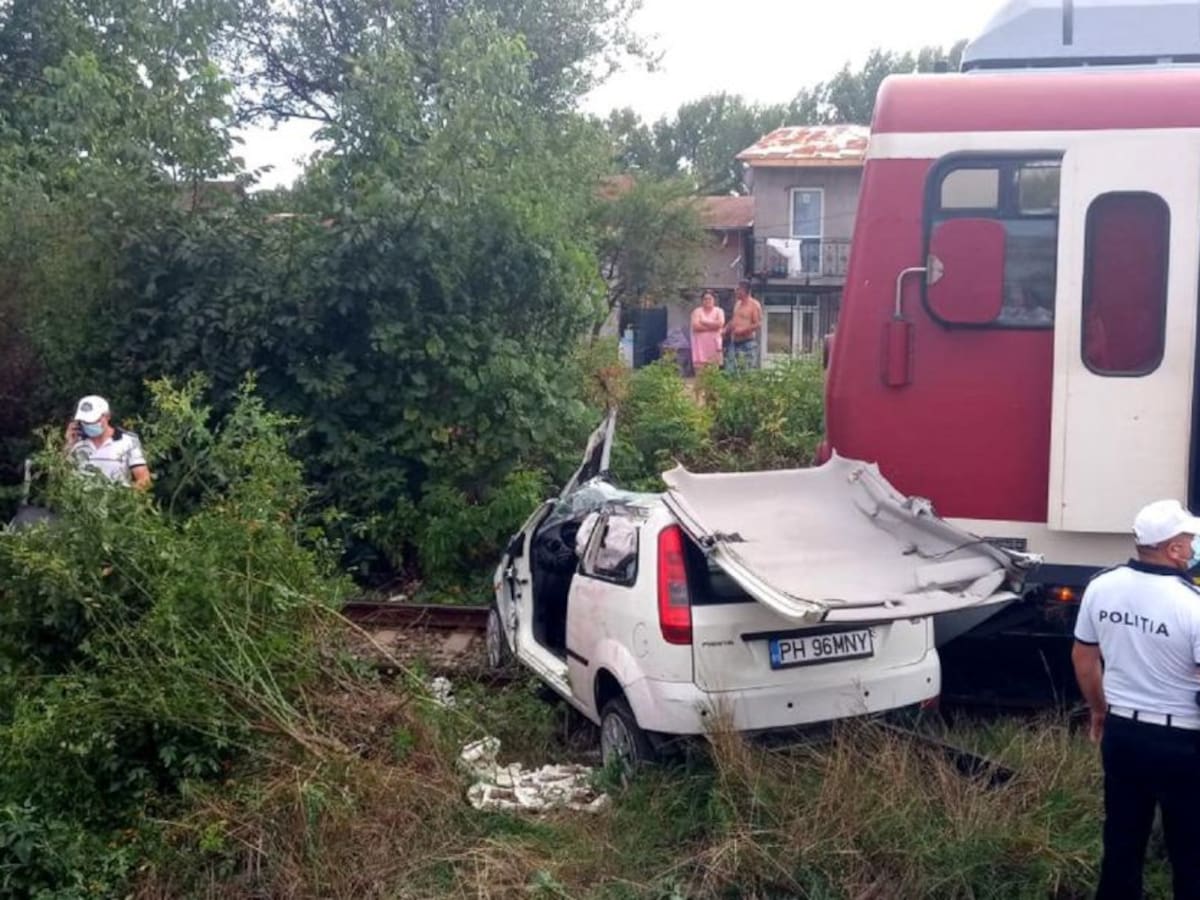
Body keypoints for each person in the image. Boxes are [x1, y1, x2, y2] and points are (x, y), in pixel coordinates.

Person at [1072, 498, 1200, 900]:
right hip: (1183, 742)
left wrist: (1098, 710)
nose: (1195, 546)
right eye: (1190, 539)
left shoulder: (1101, 586)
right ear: (1174, 549)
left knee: (1123, 842)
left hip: (1123, 734)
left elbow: (1084, 657)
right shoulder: (1192, 605)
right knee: (1191, 852)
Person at [64, 395, 151, 490]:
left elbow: (144, 480)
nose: (89, 424)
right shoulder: (77, 443)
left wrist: (124, 497)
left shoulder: (128, 441)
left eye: (93, 420)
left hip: (116, 501)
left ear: (107, 416)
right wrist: (69, 444)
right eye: (85, 421)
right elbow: (60, 475)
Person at [724, 280, 762, 372]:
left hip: (747, 343)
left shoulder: (754, 305)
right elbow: (734, 320)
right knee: (731, 371)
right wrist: (725, 329)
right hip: (734, 342)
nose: (735, 291)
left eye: (738, 289)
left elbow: (758, 324)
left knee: (746, 371)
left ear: (744, 290)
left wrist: (743, 330)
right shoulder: (737, 304)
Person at [690, 291, 725, 369]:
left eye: (710, 299)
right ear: (702, 301)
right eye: (705, 299)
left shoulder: (719, 311)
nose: (707, 301)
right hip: (700, 348)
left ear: (714, 300)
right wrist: (713, 326)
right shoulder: (697, 311)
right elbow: (696, 327)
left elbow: (720, 324)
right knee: (700, 375)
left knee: (713, 375)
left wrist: (703, 322)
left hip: (714, 347)